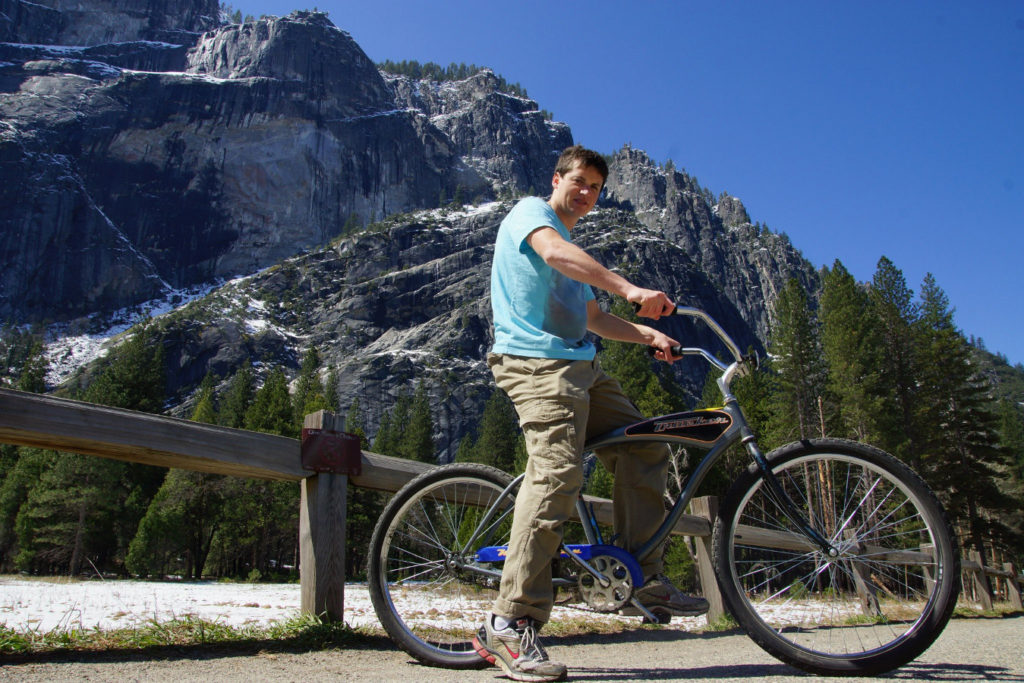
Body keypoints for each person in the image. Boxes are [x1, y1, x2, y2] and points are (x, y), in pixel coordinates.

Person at [472, 145, 709, 682]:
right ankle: (509, 623)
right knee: (557, 474)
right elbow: (554, 253)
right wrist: (630, 288)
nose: (586, 193)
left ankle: (640, 578)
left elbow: (594, 317)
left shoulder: (574, 248)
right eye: (579, 181)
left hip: (582, 368)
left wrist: (645, 332)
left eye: (596, 188)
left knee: (646, 443)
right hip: (536, 365)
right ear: (556, 179)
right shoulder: (532, 216)